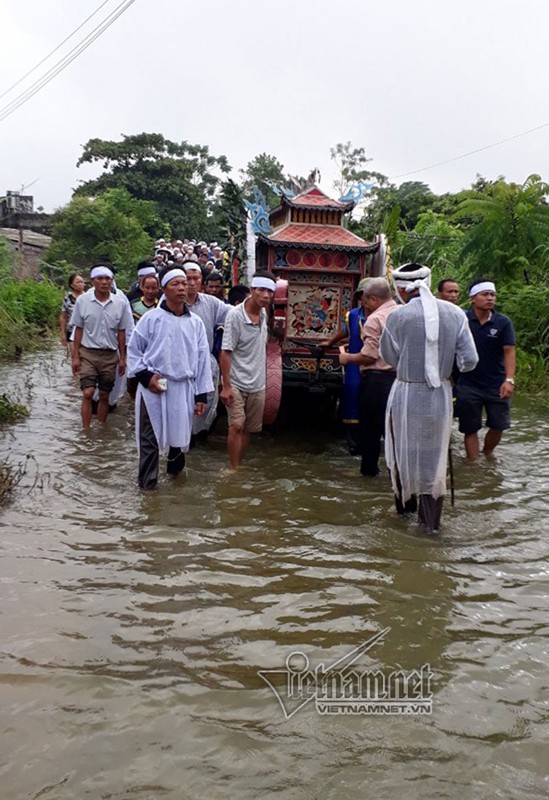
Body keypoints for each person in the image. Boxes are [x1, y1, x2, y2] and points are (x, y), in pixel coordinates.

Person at [379, 263, 478, 533]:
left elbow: (388, 355)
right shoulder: (456, 314)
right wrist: (447, 372)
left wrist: (412, 365)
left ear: (400, 289)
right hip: (440, 397)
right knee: (435, 459)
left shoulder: (397, 317)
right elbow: (469, 360)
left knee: (403, 452)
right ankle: (431, 526)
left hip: (406, 395)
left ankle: (402, 510)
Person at [127, 267, 213, 490]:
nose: (183, 288)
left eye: (184, 283)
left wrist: (201, 395)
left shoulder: (195, 323)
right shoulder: (151, 319)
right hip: (154, 388)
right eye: (176, 284)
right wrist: (147, 377)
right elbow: (134, 351)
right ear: (163, 288)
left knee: (180, 439)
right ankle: (147, 489)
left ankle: (176, 486)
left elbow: (203, 359)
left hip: (183, 387)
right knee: (150, 439)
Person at [339, 277, 397, 474]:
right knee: (393, 431)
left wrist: (346, 358)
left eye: (365, 300)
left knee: (371, 431)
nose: (364, 304)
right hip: (401, 380)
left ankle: (369, 472)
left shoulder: (375, 319)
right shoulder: (403, 313)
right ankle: (397, 475)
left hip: (377, 380)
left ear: (373, 298)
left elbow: (369, 356)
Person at [455, 278, 516, 460]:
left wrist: (509, 380)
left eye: (492, 295)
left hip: (496, 383)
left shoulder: (503, 323)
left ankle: (487, 453)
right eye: (485, 294)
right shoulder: (462, 320)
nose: (490, 298)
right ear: (473, 298)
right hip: (468, 383)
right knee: (470, 427)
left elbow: (509, 351)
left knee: (499, 425)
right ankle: (474, 466)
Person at [219, 271, 275, 469]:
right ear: (252, 290)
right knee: (236, 425)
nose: (266, 295)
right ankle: (233, 469)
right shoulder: (235, 315)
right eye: (261, 290)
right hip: (236, 380)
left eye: (270, 291)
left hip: (257, 382)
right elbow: (225, 352)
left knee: (249, 429)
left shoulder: (263, 313)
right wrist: (225, 386)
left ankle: (238, 465)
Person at [70, 265, 134, 427]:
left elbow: (121, 333)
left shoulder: (120, 303)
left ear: (112, 281)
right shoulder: (82, 301)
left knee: (105, 395)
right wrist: (75, 357)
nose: (104, 282)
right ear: (92, 281)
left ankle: (100, 428)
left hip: (110, 355)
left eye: (108, 279)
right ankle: (86, 431)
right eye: (100, 279)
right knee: (88, 393)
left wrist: (123, 359)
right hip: (88, 354)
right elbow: (78, 329)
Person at [183, 262, 229, 438]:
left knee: (205, 404)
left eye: (196, 278)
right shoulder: (169, 304)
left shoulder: (211, 303)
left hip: (205, 364)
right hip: (180, 363)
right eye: (188, 279)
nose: (191, 283)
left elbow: (232, 315)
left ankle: (197, 436)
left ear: (201, 281)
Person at [59, 273, 85, 350]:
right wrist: (63, 333)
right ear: (72, 285)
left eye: (82, 282)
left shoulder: (88, 297)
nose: (81, 284)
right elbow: (63, 317)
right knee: (74, 356)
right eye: (78, 282)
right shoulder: (68, 298)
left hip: (86, 331)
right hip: (71, 330)